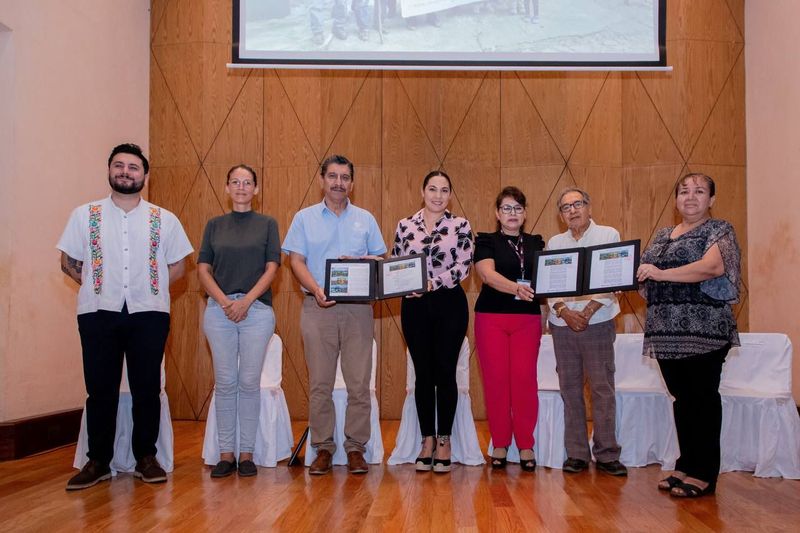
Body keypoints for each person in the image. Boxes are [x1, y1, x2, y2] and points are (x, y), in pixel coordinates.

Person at [58, 143, 193, 490]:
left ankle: (145, 458)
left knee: (146, 388)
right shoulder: (84, 214)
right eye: (119, 166)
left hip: (149, 314)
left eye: (133, 167)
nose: (125, 172)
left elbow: (178, 266)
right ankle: (97, 461)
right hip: (97, 313)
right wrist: (97, 286)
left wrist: (151, 286)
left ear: (144, 176)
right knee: (99, 388)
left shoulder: (164, 219)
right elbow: (69, 261)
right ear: (109, 171)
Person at [637, 173, 741, 498]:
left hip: (705, 331)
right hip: (666, 333)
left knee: (703, 399)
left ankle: (704, 473)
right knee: (683, 400)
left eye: (699, 191)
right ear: (676, 200)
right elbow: (643, 271)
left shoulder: (718, 230)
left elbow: (711, 268)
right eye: (684, 191)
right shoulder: (664, 234)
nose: (690, 197)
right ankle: (686, 464)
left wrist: (661, 273)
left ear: (711, 200)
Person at [282, 154, 386, 475]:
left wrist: (368, 259)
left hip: (358, 311)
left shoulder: (365, 219)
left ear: (351, 182)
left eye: (344, 177)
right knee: (320, 384)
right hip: (318, 308)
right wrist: (315, 288)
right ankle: (323, 448)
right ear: (322, 180)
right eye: (332, 176)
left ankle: (355, 448)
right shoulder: (304, 218)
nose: (338, 182)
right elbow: (296, 260)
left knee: (359, 384)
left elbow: (382, 261)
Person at [198, 165, 281, 478]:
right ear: (227, 187)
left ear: (256, 189)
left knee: (248, 382)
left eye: (248, 183)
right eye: (236, 182)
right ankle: (225, 454)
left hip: (257, 310)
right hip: (219, 311)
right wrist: (224, 302)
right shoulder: (214, 225)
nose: (242, 187)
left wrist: (246, 301)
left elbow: (272, 268)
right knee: (225, 382)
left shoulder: (267, 224)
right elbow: (203, 269)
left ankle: (246, 454)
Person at [391, 170, 473, 473]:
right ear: (422, 191)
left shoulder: (460, 225)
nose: (438, 195)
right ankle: (426, 440)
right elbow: (396, 263)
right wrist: (403, 283)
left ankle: (444, 440)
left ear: (449, 195)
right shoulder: (404, 225)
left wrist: (430, 283)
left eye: (444, 190)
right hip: (413, 306)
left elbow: (464, 267)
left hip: (449, 304)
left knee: (445, 373)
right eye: (433, 189)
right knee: (422, 375)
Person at [547, 187, 627, 476]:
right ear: (561, 215)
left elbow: (614, 275)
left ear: (588, 206)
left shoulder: (608, 235)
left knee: (602, 389)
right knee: (570, 391)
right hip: (563, 327)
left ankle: (607, 454)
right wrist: (565, 312)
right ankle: (577, 454)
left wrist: (589, 311)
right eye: (566, 207)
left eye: (578, 204)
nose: (573, 210)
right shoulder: (555, 242)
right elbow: (549, 286)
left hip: (599, 321)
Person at [474, 186, 544, 471]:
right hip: (491, 318)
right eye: (506, 208)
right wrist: (516, 287)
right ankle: (500, 442)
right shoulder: (486, 240)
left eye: (517, 208)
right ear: (497, 213)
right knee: (496, 381)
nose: (512, 213)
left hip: (527, 319)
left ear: (525, 213)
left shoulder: (537, 242)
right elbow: (487, 275)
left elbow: (550, 275)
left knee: (525, 380)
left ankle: (526, 443)